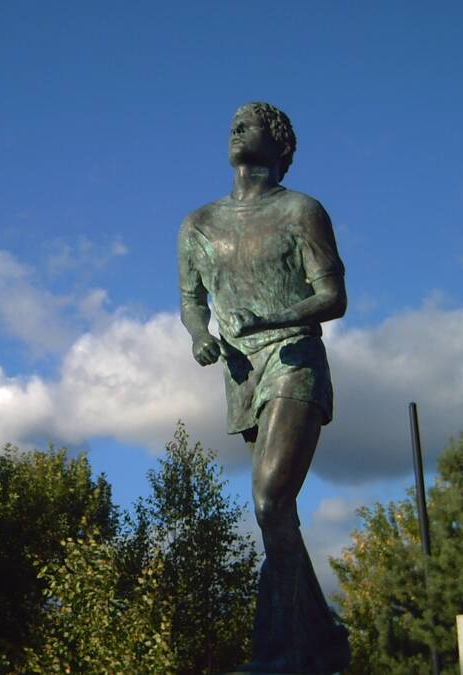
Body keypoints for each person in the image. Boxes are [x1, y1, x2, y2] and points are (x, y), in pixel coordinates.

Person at [178, 102, 351, 672]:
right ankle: (321, 639)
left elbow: (333, 297)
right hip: (241, 376)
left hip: (294, 358)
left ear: (279, 147)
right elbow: (191, 299)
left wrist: (271, 320)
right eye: (232, 123)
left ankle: (285, 654)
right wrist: (200, 334)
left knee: (270, 500)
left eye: (249, 124)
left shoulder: (303, 211)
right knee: (278, 515)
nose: (235, 129)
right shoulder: (198, 223)